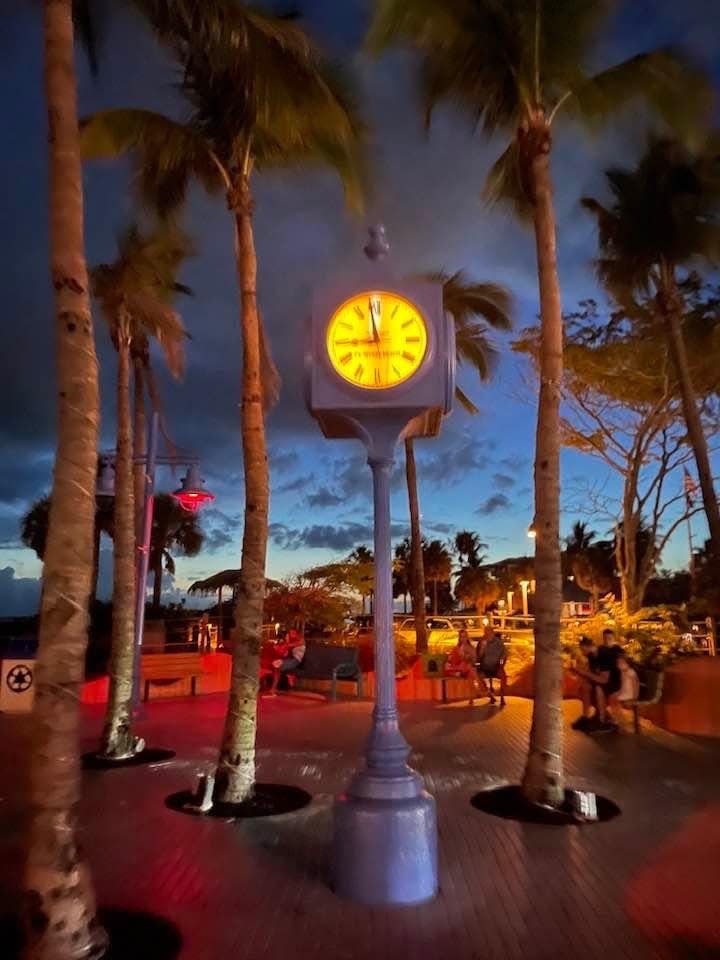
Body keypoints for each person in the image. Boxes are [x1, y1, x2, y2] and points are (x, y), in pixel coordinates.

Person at [571, 635, 621, 733]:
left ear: (586, 647)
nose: (582, 653)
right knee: (585, 686)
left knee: (598, 688)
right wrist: (578, 672)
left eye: (582, 650)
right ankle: (585, 717)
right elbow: (591, 673)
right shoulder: (591, 656)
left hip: (615, 683)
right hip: (603, 682)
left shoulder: (604, 654)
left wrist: (584, 673)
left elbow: (604, 680)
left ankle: (602, 720)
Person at [267, 627, 306, 696]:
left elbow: (288, 646)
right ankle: (273, 689)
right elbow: (284, 651)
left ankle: (273, 689)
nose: (291, 635)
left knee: (278, 667)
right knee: (275, 665)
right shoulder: (293, 641)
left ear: (297, 634)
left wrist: (287, 641)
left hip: (296, 661)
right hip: (291, 659)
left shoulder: (301, 641)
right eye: (290, 633)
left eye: (292, 633)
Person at [445, 629, 480, 704]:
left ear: (467, 637)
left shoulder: (471, 648)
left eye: (464, 637)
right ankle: (482, 689)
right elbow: (451, 660)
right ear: (459, 638)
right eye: (461, 637)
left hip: (466, 669)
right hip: (458, 668)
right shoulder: (456, 648)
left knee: (470, 672)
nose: (463, 639)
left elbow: (474, 660)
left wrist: (468, 657)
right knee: (470, 669)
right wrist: (460, 655)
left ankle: (472, 698)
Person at [476, 626, 507, 706]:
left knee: (503, 676)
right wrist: (482, 649)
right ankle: (489, 694)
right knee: (479, 677)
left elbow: (504, 654)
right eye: (486, 633)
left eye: (489, 633)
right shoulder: (482, 642)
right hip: (485, 666)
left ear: (492, 633)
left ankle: (502, 696)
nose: (487, 635)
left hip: (496, 666)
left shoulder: (499, 643)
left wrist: (501, 663)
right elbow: (478, 657)